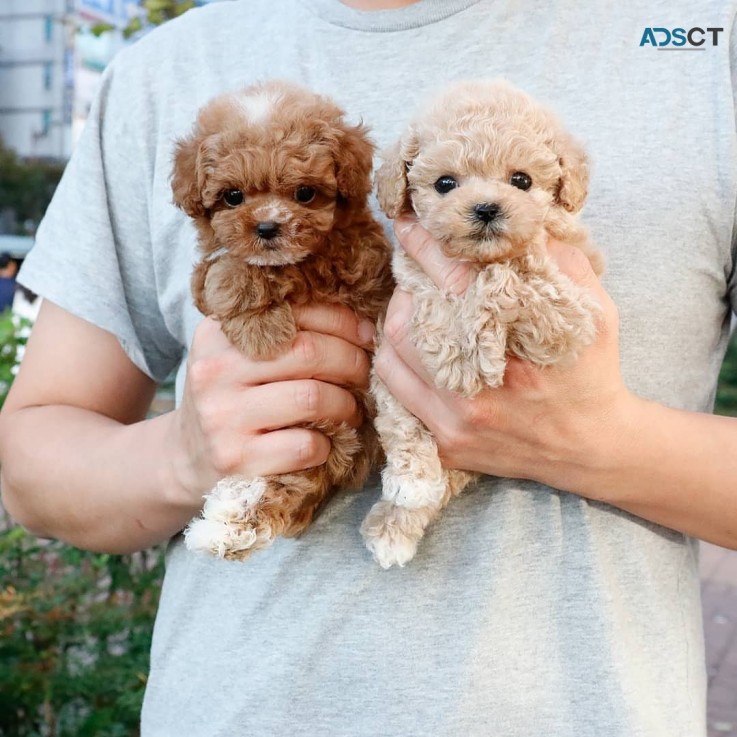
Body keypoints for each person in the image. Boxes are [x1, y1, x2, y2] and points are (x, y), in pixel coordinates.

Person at [0, 1, 735, 734]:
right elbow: (30, 463)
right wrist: (180, 453)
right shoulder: (160, 72)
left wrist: (601, 442)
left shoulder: (706, 40)